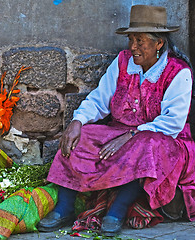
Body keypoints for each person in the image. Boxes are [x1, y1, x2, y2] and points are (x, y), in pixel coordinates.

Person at [37, 4, 195, 237]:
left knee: (146, 146)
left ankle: (117, 210)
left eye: (140, 41)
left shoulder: (177, 72)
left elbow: (173, 122)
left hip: (163, 139)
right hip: (119, 132)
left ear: (158, 43)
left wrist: (131, 135)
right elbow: (100, 99)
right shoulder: (123, 63)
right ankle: (65, 208)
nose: (133, 47)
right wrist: (78, 121)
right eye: (131, 39)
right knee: (82, 137)